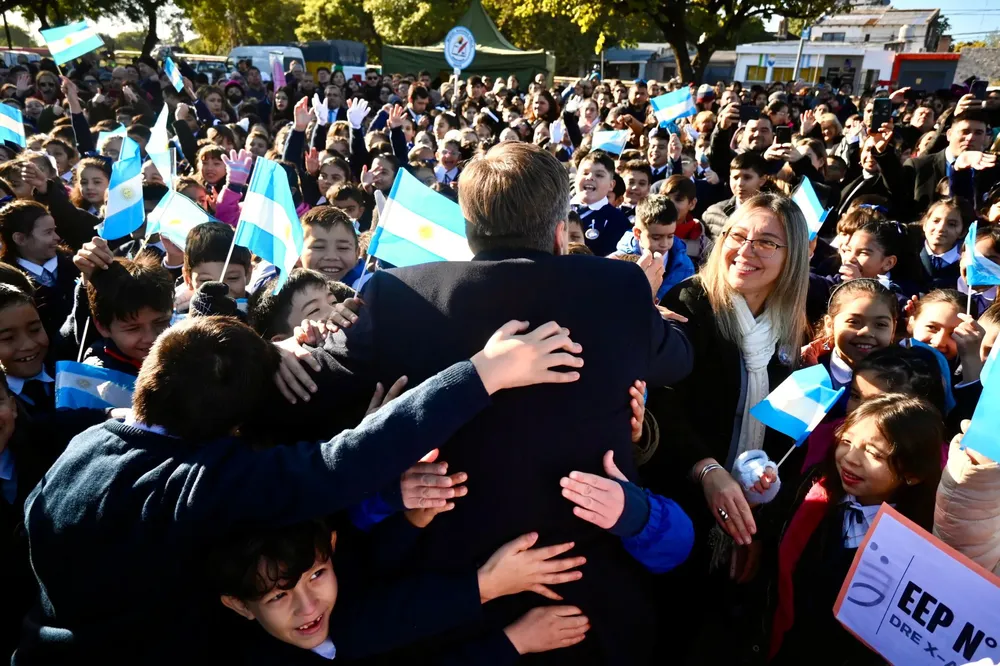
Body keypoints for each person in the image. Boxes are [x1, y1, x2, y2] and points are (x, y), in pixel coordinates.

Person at [273, 141, 693, 666]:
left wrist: (277, 350)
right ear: (560, 226)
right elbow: (678, 360)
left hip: (447, 612)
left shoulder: (398, 296)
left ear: (468, 227)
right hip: (581, 607)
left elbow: (309, 384)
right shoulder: (619, 286)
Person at [17, 313, 585, 664]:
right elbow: (341, 465)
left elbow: (199, 346)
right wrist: (486, 372)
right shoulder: (193, 487)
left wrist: (270, 350)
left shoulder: (84, 447)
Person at [766, 395, 944, 665]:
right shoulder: (813, 491)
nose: (850, 458)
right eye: (847, 441)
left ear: (913, 473)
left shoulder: (925, 544)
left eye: (873, 453)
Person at [614, 195, 693, 301]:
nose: (664, 244)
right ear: (637, 233)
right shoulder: (618, 261)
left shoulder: (685, 266)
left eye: (670, 236)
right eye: (656, 238)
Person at [572, 150, 631, 257]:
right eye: (585, 173)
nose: (590, 177)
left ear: (611, 185)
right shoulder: (558, 210)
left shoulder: (617, 220)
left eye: (599, 175)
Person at [702, 152, 767, 242]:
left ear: (762, 180)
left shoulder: (774, 216)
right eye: (735, 177)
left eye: (747, 177)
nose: (740, 183)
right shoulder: (713, 213)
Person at [299, 206, 362, 287]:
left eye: (342, 248)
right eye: (319, 247)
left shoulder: (371, 289)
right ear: (298, 253)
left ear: (357, 253)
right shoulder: (287, 292)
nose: (331, 256)